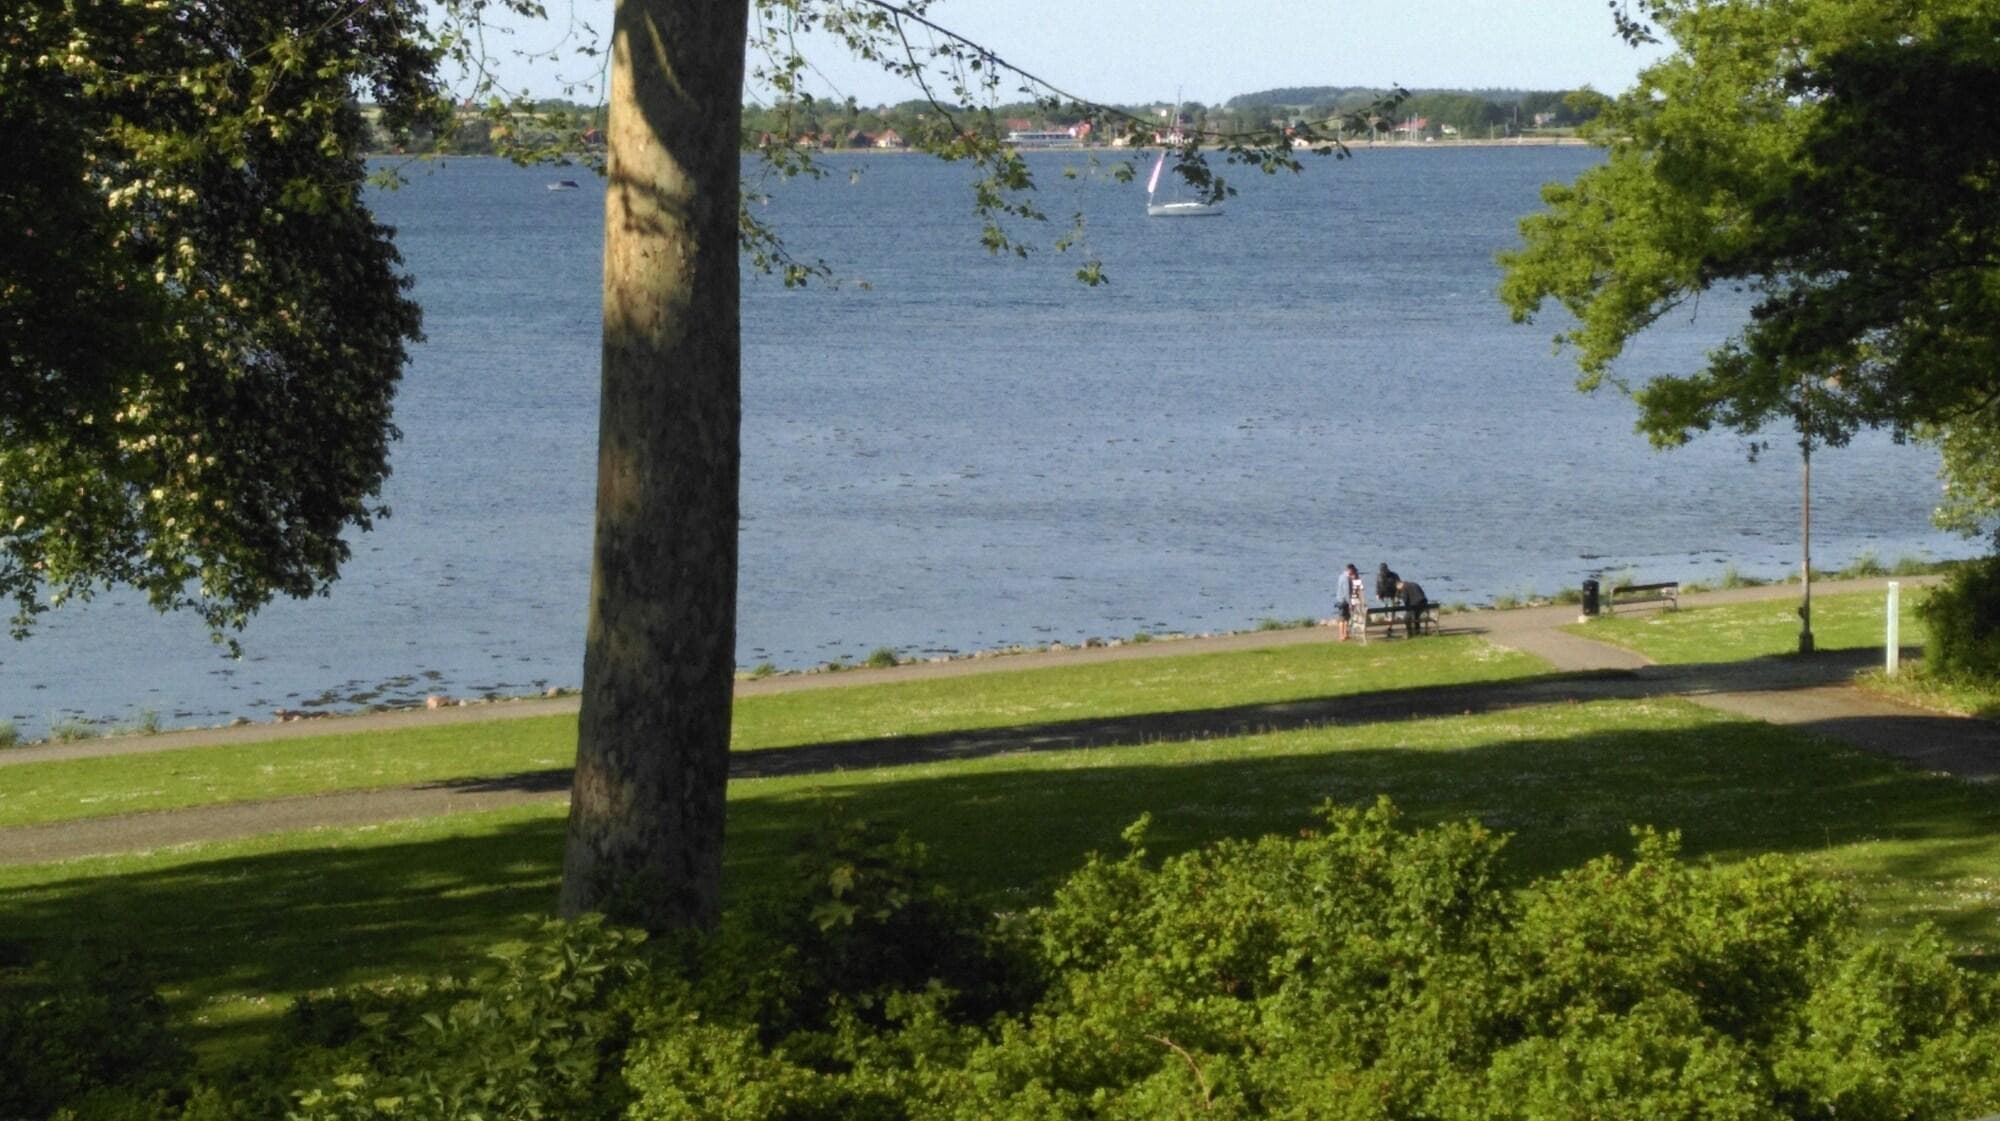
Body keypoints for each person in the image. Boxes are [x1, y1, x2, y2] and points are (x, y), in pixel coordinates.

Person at [1335, 563, 1360, 641]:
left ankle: (1345, 634)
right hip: (1344, 601)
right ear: (1349, 570)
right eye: (1353, 571)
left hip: (1339, 599)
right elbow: (1347, 592)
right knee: (1342, 619)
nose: (1354, 573)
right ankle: (1341, 636)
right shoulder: (1346, 579)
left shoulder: (1341, 576)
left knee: (1345, 619)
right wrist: (1350, 604)